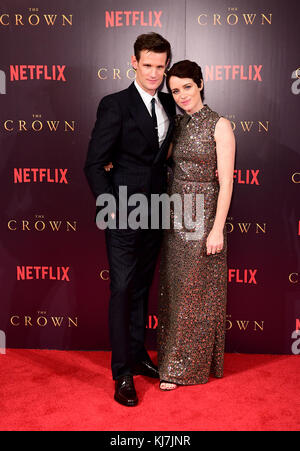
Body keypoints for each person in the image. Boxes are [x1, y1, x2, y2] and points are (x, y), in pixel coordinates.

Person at [84, 33, 176, 406]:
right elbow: (93, 164)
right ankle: (122, 372)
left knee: (141, 288)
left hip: (157, 210)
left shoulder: (170, 103)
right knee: (121, 290)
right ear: (134, 63)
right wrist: (112, 206)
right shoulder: (115, 105)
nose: (154, 73)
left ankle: (138, 356)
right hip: (123, 212)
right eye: (148, 65)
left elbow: (167, 155)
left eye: (161, 66)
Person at [157, 60, 235, 390]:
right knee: (175, 294)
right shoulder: (177, 125)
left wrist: (217, 229)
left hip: (203, 219)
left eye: (187, 86)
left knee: (196, 296)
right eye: (175, 90)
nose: (182, 95)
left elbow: (228, 183)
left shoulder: (220, 125)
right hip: (176, 217)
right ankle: (170, 360)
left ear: (200, 84)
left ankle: (182, 370)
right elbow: (161, 161)